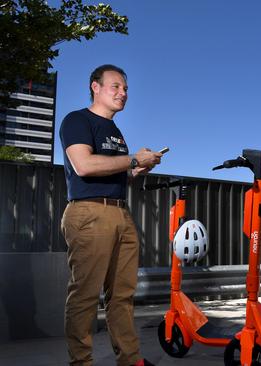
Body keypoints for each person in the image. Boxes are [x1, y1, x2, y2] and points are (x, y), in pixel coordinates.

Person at [59, 64, 161, 366]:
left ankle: (130, 361)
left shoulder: (115, 132)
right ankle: (81, 362)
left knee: (122, 297)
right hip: (89, 213)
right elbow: (85, 166)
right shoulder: (77, 120)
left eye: (126, 88)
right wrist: (131, 159)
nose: (123, 93)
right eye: (116, 86)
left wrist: (136, 169)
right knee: (85, 296)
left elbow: (117, 173)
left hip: (120, 212)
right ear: (96, 87)